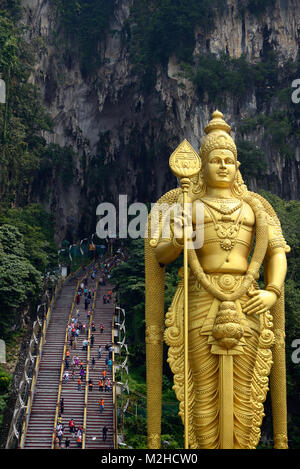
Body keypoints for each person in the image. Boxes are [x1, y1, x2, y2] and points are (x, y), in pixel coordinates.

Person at [145, 110, 290, 450]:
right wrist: (179, 240)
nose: (223, 166)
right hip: (199, 297)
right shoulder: (186, 205)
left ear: (237, 166)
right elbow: (160, 255)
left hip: (248, 298)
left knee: (245, 392)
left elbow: (277, 253)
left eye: (229, 160)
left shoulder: (256, 206)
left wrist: (272, 290)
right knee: (204, 391)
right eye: (215, 160)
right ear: (202, 166)